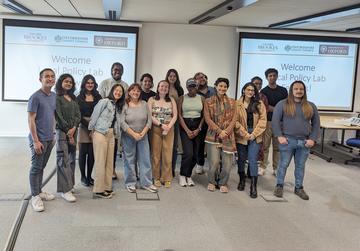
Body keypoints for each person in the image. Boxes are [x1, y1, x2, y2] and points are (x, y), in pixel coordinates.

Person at [272, 81, 320, 200]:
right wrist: (279, 136)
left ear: (304, 91)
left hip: (304, 142)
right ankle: (279, 185)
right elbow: (275, 121)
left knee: (300, 166)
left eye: (301, 89)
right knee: (283, 165)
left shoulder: (311, 106)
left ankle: (299, 188)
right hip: (287, 141)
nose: (299, 91)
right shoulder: (282, 104)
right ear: (291, 90)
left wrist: (312, 139)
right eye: (296, 89)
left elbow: (316, 124)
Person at [28, 68, 57, 212]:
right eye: (47, 76)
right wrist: (35, 141)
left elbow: (52, 116)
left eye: (52, 76)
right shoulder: (35, 97)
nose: (50, 79)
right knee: (36, 168)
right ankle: (35, 196)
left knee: (42, 166)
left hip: (50, 138)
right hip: (38, 139)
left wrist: (54, 134)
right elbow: (31, 120)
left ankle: (39, 191)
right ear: (40, 79)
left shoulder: (53, 96)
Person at [89, 84, 125, 199]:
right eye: (116, 90)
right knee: (100, 162)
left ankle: (107, 187)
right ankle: (99, 190)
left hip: (111, 134)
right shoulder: (104, 101)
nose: (118, 92)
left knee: (109, 162)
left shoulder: (119, 106)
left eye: (120, 91)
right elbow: (95, 115)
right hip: (100, 132)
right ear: (112, 91)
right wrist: (91, 129)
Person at [120, 83, 158, 193]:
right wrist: (134, 134)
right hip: (128, 136)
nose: (135, 92)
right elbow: (122, 122)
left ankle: (146, 183)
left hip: (143, 136)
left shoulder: (144, 104)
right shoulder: (125, 104)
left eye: (138, 91)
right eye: (133, 90)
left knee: (145, 159)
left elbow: (149, 120)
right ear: (129, 92)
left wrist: (142, 133)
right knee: (129, 160)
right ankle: (130, 183)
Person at [204, 78, 236, 193]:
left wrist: (226, 132)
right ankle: (212, 181)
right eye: (220, 86)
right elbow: (207, 118)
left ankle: (223, 182)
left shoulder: (233, 102)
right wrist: (219, 131)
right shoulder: (208, 101)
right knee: (214, 161)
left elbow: (234, 119)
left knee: (227, 163)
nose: (223, 88)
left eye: (225, 86)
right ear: (215, 86)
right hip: (213, 135)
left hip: (228, 136)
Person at [235, 82, 266, 198]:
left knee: (253, 160)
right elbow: (235, 122)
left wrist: (253, 134)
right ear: (243, 90)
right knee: (241, 159)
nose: (250, 92)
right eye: (248, 89)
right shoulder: (237, 104)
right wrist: (244, 133)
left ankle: (253, 186)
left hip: (255, 135)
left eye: (252, 90)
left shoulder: (259, 104)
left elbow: (263, 121)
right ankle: (242, 180)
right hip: (241, 134)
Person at [99, 62, 128, 180]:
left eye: (120, 70)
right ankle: (102, 172)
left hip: (118, 120)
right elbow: (100, 101)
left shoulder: (125, 85)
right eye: (115, 70)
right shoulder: (104, 83)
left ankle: (112, 170)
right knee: (103, 147)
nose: (117, 72)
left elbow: (126, 103)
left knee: (114, 147)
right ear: (111, 70)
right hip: (105, 121)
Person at [55, 73, 81, 202]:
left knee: (71, 159)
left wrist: (74, 127)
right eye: (66, 81)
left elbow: (78, 114)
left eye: (70, 82)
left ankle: (70, 185)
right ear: (61, 83)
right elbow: (58, 116)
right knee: (63, 159)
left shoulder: (73, 98)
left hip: (73, 131)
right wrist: (67, 131)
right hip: (62, 132)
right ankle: (64, 190)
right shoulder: (57, 98)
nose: (68, 84)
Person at [148, 80, 177, 188]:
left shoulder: (172, 100)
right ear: (158, 87)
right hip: (156, 129)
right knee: (155, 155)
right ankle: (156, 177)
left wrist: (168, 127)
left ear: (168, 89)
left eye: (166, 86)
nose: (163, 88)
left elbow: (175, 115)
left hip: (169, 129)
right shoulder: (151, 100)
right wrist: (161, 125)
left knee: (167, 154)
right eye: (161, 86)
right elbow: (149, 115)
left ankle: (166, 177)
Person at [260, 68, 288, 175]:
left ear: (277, 76)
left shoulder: (283, 90)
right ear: (267, 78)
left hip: (280, 123)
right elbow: (265, 107)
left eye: (274, 75)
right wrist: (278, 109)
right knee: (265, 146)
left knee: (277, 147)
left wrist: (277, 109)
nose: (272, 77)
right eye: (270, 76)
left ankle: (276, 168)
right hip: (268, 122)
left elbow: (286, 105)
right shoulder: (263, 91)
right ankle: (263, 167)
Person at [178, 78, 205, 187]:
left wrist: (198, 129)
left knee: (196, 154)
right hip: (185, 126)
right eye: (190, 86)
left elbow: (204, 115)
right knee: (188, 153)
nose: (192, 88)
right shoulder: (182, 98)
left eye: (194, 86)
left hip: (198, 126)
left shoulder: (202, 98)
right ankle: (182, 175)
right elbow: (179, 115)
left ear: (197, 87)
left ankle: (188, 176)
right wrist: (187, 130)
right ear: (187, 87)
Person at [76, 74, 102, 187]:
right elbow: (78, 115)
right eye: (88, 83)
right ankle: (83, 177)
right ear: (84, 84)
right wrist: (89, 126)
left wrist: (94, 126)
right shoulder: (79, 97)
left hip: (96, 126)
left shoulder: (98, 97)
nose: (90, 85)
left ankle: (89, 176)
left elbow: (101, 112)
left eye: (92, 83)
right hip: (83, 126)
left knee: (92, 153)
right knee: (83, 153)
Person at [194, 72, 216, 174]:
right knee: (200, 144)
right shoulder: (194, 92)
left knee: (213, 145)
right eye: (198, 78)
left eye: (202, 77)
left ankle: (213, 166)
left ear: (206, 78)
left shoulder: (214, 89)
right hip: (200, 121)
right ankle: (200, 164)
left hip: (214, 121)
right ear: (195, 81)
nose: (201, 79)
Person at [165, 69, 184, 177]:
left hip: (175, 120)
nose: (172, 78)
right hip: (164, 120)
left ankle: (171, 169)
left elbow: (180, 105)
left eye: (174, 76)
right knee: (164, 145)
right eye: (170, 76)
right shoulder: (163, 87)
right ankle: (163, 168)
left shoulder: (179, 89)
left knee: (174, 145)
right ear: (167, 76)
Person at [251, 76, 269, 176]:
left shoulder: (263, 97)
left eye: (259, 84)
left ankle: (258, 166)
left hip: (259, 127)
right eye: (256, 83)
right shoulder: (245, 95)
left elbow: (264, 113)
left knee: (260, 146)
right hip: (247, 126)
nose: (258, 85)